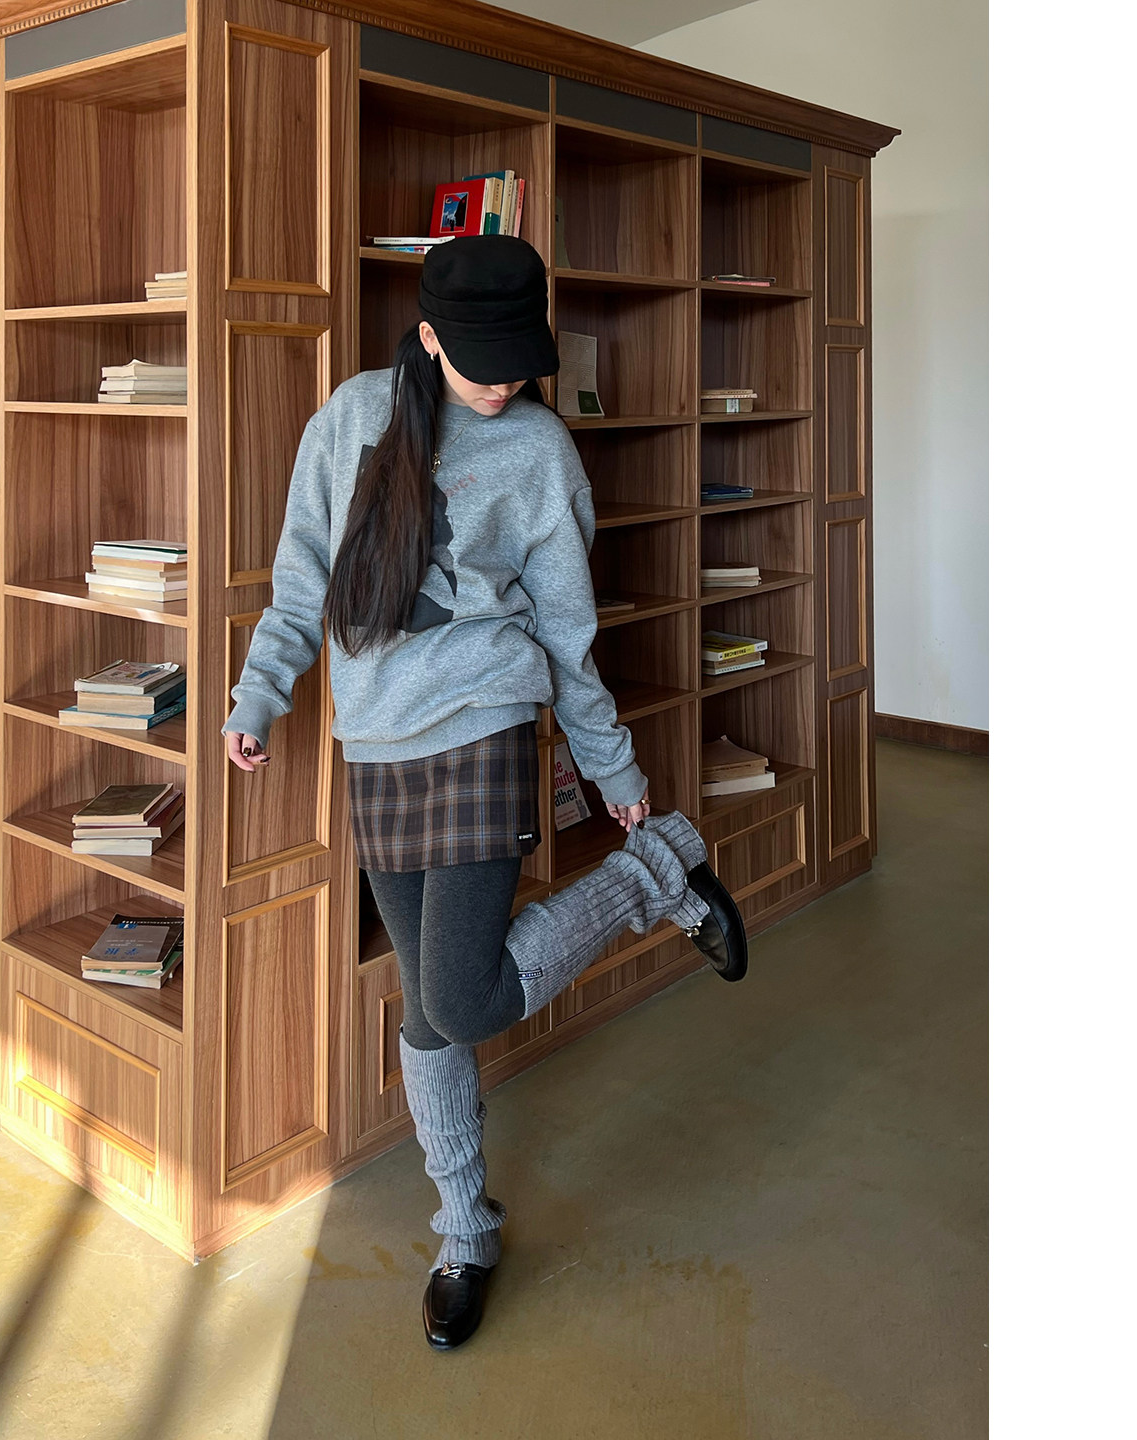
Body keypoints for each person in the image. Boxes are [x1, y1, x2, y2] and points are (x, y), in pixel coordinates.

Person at [221, 234, 747, 1351]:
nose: (504, 384)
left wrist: (614, 770)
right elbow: (302, 574)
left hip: (486, 722)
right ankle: (465, 1233)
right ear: (427, 337)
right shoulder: (350, 422)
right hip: (377, 744)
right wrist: (258, 695)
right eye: (481, 364)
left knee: (462, 998)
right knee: (427, 1011)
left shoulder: (541, 450)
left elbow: (566, 628)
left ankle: (653, 871)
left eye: (519, 363)